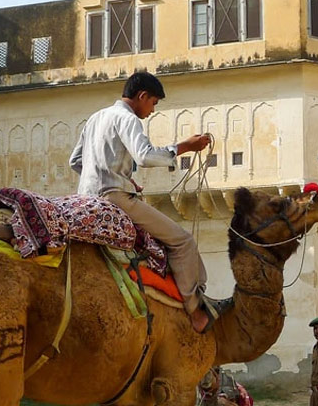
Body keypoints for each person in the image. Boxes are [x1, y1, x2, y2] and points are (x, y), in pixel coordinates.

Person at [69, 71, 229, 333]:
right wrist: (184, 147)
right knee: (182, 241)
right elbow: (143, 156)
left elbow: (75, 162)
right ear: (142, 96)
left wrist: (117, 177)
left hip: (86, 198)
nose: (152, 110)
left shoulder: (96, 118)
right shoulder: (128, 119)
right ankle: (195, 310)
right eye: (153, 103)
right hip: (115, 199)